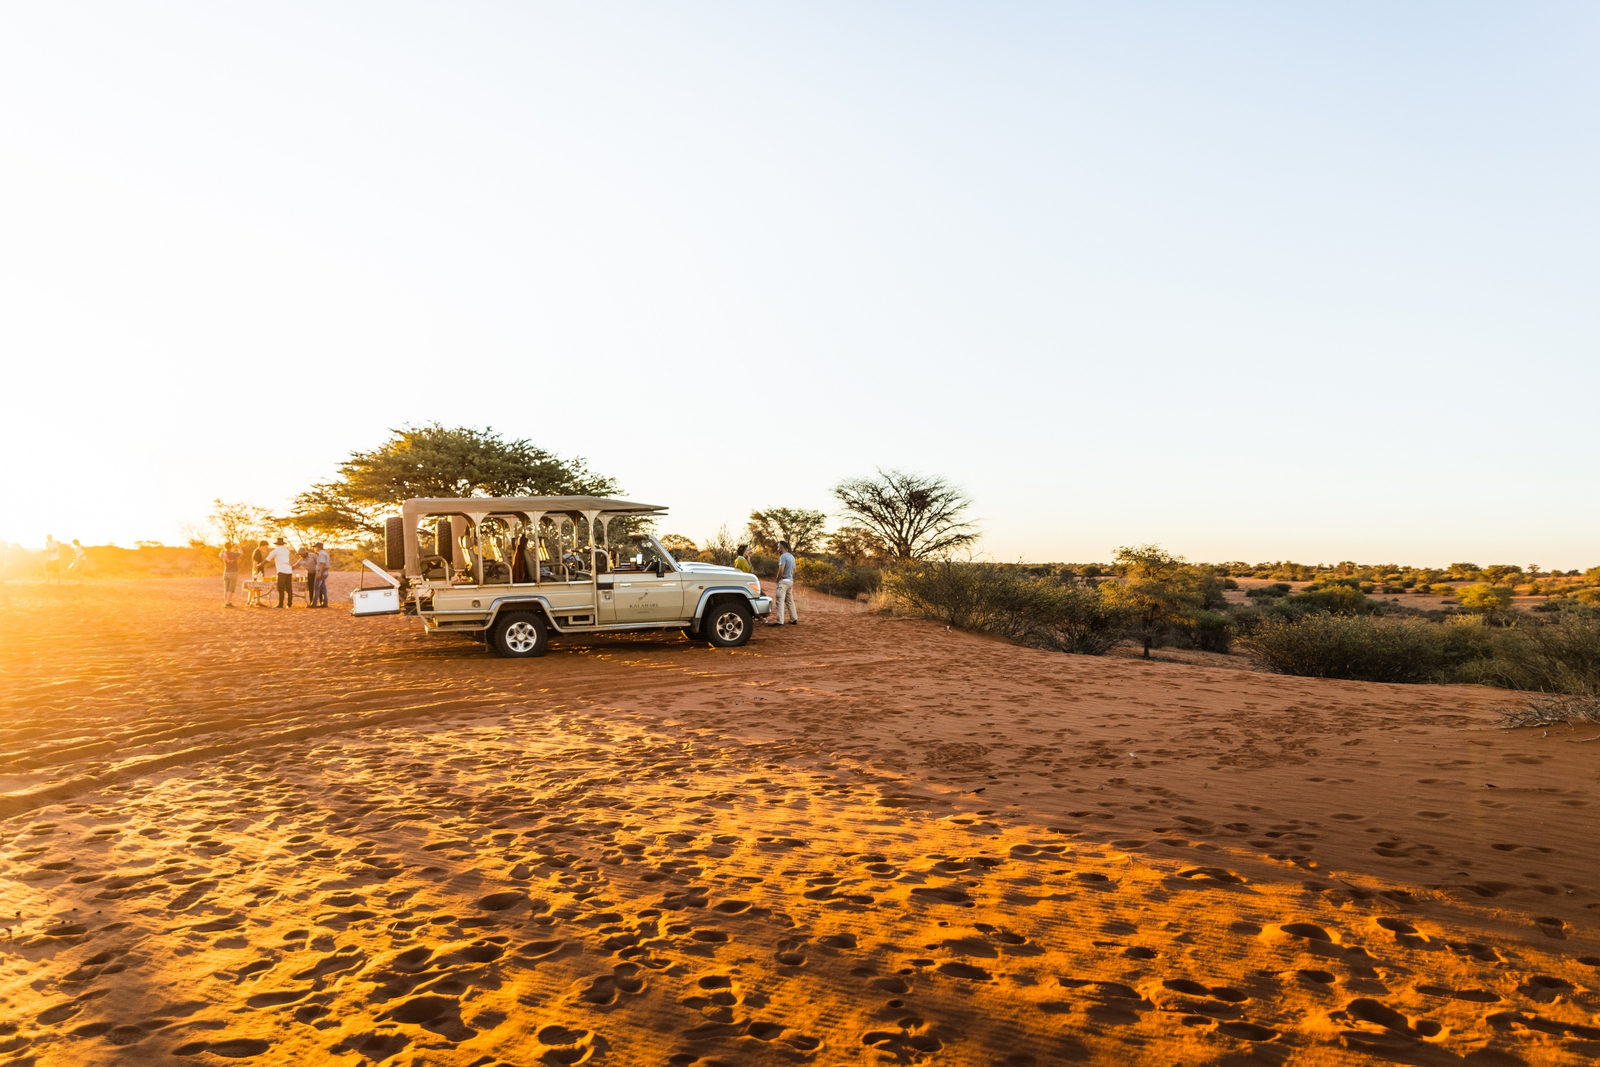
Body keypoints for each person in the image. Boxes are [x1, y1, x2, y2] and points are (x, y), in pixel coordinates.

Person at [769, 539, 798, 626]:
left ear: (782, 547)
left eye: (778, 547)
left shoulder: (783, 557)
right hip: (790, 581)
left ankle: (779, 621)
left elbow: (781, 570)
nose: (778, 548)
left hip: (783, 581)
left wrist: (777, 579)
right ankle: (794, 619)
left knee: (779, 601)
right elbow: (794, 570)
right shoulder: (792, 557)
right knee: (790, 601)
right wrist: (790, 576)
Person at [266, 537, 294, 608]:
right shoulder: (287, 550)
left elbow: (267, 559)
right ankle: (289, 604)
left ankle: (280, 604)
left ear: (277, 544)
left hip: (281, 571)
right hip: (288, 570)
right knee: (289, 588)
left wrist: (259, 565)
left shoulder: (276, 551)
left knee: (281, 588)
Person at [220, 542, 241, 607]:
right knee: (231, 588)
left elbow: (220, 554)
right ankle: (228, 603)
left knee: (226, 588)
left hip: (226, 572)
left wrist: (224, 549)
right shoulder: (234, 554)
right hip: (233, 572)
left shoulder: (224, 554)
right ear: (231, 547)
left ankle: (227, 602)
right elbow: (241, 552)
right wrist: (238, 547)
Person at [312, 542, 330, 607]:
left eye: (315, 547)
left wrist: (319, 573)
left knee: (316, 587)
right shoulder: (326, 554)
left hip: (321, 571)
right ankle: (325, 603)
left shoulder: (321, 554)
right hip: (326, 572)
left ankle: (314, 603)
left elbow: (323, 563)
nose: (315, 548)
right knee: (323, 587)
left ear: (319, 547)